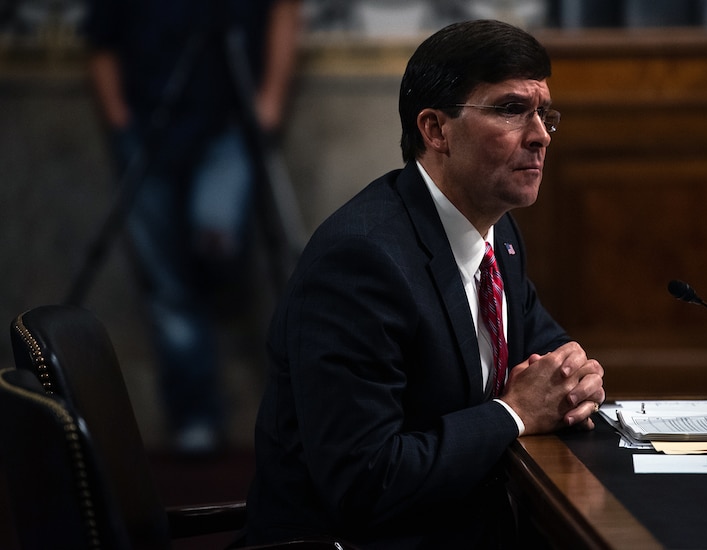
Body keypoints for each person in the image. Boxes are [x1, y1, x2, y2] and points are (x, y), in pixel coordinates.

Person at [245, 19, 605, 548]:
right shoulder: (361, 261)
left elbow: (550, 357)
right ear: (435, 130)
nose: (540, 136)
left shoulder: (498, 232)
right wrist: (514, 413)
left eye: (545, 114)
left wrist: (579, 379)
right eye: (511, 110)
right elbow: (366, 481)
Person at [83, 0, 302, 454]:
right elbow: (100, 39)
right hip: (146, 127)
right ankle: (195, 417)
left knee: (216, 237)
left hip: (227, 125)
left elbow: (284, 10)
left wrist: (270, 100)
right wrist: (119, 118)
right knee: (167, 284)